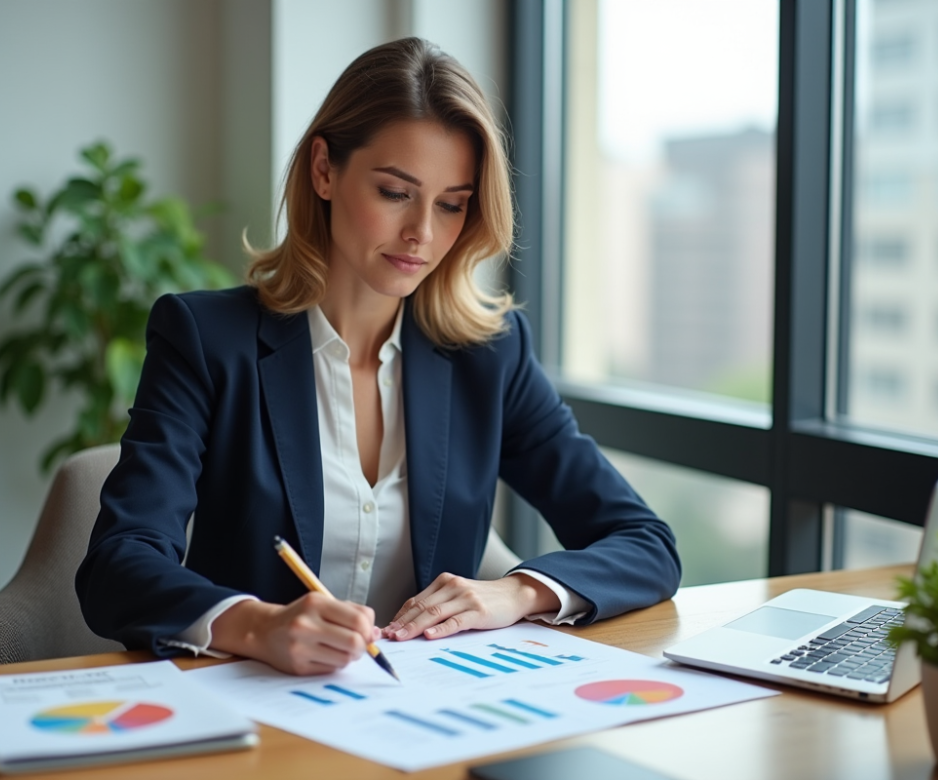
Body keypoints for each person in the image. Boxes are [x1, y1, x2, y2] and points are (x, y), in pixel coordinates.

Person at [76, 37, 680, 677]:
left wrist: (516, 591)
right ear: (324, 171)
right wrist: (259, 624)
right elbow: (118, 565)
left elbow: (645, 544)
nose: (423, 232)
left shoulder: (489, 357)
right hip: (254, 711)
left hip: (418, 714)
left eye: (452, 204)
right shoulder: (205, 337)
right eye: (396, 193)